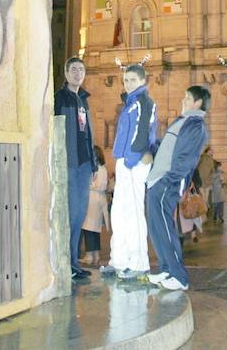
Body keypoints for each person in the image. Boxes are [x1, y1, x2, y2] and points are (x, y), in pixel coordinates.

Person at [145, 85, 210, 292]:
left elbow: (187, 158)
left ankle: (179, 276)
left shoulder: (195, 125)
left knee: (164, 226)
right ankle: (166, 269)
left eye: (187, 97)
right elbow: (167, 147)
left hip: (167, 181)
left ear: (198, 102)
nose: (183, 100)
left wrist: (170, 179)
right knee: (156, 226)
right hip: (157, 180)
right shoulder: (183, 121)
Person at [104, 63, 157, 279]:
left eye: (133, 80)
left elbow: (144, 129)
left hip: (134, 161)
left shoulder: (145, 102)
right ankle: (118, 260)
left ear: (143, 81)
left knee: (134, 213)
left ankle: (137, 264)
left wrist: (133, 158)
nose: (128, 84)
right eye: (126, 80)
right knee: (119, 213)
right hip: (124, 160)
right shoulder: (129, 103)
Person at [54, 56, 95, 280]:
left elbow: (88, 133)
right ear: (66, 73)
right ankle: (67, 264)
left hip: (84, 165)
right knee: (69, 215)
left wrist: (94, 163)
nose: (78, 73)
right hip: (69, 164)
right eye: (74, 70)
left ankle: (73, 263)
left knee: (79, 216)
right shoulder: (60, 98)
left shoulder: (84, 100)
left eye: (81, 70)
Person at [81, 146, 110, 268]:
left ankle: (89, 256)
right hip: (101, 199)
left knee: (88, 228)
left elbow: (94, 184)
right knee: (96, 229)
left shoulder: (95, 169)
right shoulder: (103, 168)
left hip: (92, 198)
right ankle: (96, 254)